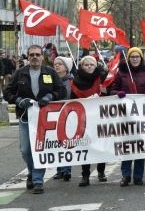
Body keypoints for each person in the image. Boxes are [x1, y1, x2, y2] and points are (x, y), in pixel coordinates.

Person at [4, 45, 67, 194]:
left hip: (45, 119)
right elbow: (7, 92)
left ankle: (38, 180)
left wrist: (50, 97)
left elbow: (62, 90)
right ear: (27, 56)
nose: (34, 57)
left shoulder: (50, 72)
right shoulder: (20, 73)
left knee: (40, 149)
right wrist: (18, 100)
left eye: (37, 54)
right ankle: (31, 172)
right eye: (31, 54)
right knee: (25, 150)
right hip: (26, 117)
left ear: (42, 57)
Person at [110, 47, 145, 187]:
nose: (135, 59)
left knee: (140, 145)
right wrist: (117, 93)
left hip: (143, 115)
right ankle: (126, 175)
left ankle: (138, 176)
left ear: (141, 58)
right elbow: (113, 89)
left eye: (137, 57)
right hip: (126, 115)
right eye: (133, 57)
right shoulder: (122, 73)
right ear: (129, 59)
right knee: (127, 145)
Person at [69, 55, 108, 186]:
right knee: (85, 146)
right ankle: (85, 175)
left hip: (101, 117)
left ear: (96, 66)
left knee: (101, 145)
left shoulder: (103, 78)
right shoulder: (76, 81)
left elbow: (112, 93)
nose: (89, 67)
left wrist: (106, 91)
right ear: (82, 66)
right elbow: (71, 100)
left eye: (91, 64)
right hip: (84, 118)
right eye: (86, 65)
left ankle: (101, 171)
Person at [51, 56, 74, 181]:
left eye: (60, 64)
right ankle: (59, 169)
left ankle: (66, 169)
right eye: (56, 63)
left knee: (65, 142)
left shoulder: (72, 81)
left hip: (68, 115)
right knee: (56, 143)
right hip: (54, 115)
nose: (57, 66)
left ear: (67, 67)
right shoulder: (51, 80)